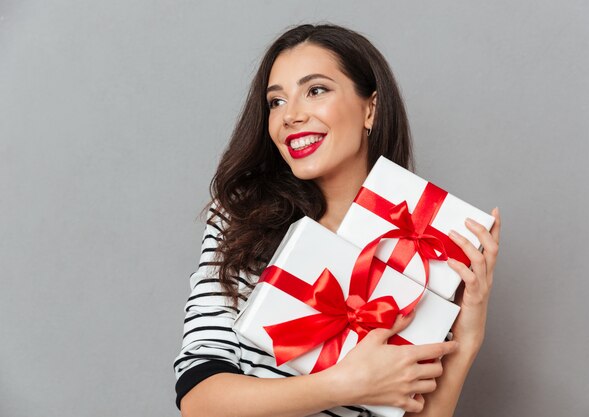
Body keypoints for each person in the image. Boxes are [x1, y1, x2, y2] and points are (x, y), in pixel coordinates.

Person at [173, 23, 501, 417]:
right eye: (276, 102)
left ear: (371, 108)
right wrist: (346, 383)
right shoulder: (239, 220)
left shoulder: (423, 250)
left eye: (315, 90)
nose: (290, 115)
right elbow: (199, 399)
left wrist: (465, 340)